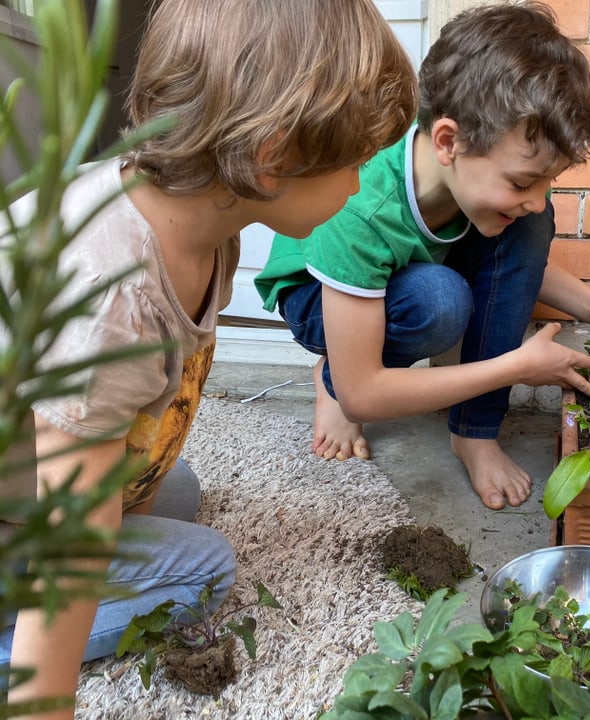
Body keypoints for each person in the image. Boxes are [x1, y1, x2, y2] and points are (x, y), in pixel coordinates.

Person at [0, 0, 416, 715]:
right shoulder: (114, 299)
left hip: (23, 475)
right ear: (273, 155)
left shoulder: (204, 226)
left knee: (180, 490)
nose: (357, 189)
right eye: (353, 165)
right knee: (203, 568)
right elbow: (72, 546)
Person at [255, 1, 590, 511]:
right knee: (438, 302)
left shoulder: (482, 183)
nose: (538, 196)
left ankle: (474, 433)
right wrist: (512, 367)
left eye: (547, 181)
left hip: (400, 277)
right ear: (449, 140)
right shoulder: (361, 207)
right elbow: (368, 397)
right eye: (523, 181)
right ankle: (335, 373)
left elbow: (520, 268)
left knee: (526, 224)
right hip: (317, 297)